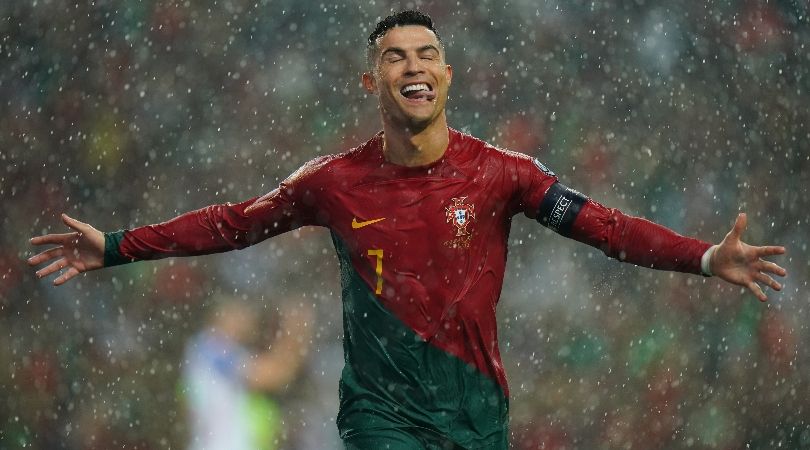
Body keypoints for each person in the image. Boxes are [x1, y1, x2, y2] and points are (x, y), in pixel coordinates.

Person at [28, 10, 786, 450]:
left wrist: (705, 257)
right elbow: (234, 224)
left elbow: (603, 227)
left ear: (448, 77)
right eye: (395, 57)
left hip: (476, 409)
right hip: (380, 413)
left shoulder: (503, 174)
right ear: (373, 82)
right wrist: (118, 245)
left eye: (427, 55)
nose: (413, 66)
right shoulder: (331, 181)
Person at [182, 297, 312, 450]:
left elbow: (279, 373)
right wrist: (295, 331)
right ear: (223, 316)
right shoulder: (212, 348)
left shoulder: (215, 348)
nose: (248, 321)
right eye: (241, 314)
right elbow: (271, 374)